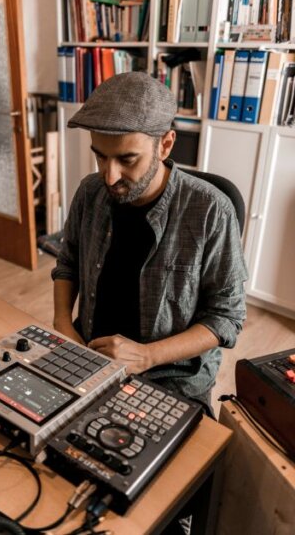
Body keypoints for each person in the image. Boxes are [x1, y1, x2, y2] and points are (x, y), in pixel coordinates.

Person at [52, 72, 247, 415]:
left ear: (166, 144)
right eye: (100, 156)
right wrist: (62, 324)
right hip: (88, 355)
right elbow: (67, 262)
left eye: (127, 160)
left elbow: (226, 318)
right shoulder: (90, 191)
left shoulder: (211, 211)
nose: (109, 176)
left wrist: (147, 355)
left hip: (169, 378)